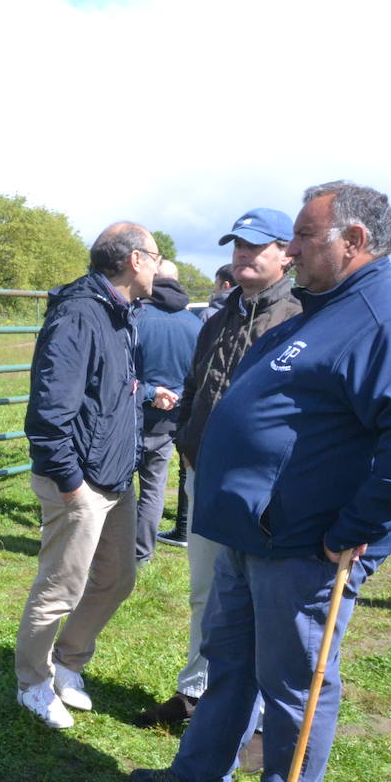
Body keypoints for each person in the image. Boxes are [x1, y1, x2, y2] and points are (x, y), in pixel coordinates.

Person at [130, 182, 391, 782]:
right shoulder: (325, 309)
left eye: (304, 236)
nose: (290, 249)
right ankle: (198, 777)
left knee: (295, 684)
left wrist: (355, 526)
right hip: (250, 533)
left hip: (302, 544)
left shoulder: (385, 321)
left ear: (354, 242)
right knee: (229, 662)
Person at [134, 208, 301, 731]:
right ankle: (196, 696)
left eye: (257, 246)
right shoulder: (224, 313)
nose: (244, 255)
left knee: (263, 602)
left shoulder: (300, 317)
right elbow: (196, 381)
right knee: (206, 591)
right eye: (238, 247)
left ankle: (252, 715)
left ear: (286, 252)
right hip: (206, 474)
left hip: (267, 487)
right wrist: (187, 438)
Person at [15, 222, 157, 729]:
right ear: (135, 260)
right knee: (60, 587)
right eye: (156, 258)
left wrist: (143, 397)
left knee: (117, 578)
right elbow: (49, 412)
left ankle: (68, 663)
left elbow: (106, 392)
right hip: (80, 479)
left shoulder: (120, 312)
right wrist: (71, 483)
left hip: (115, 475)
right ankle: (32, 681)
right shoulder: (80, 314)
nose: (160, 268)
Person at [156, 263, 234, 548]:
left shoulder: (211, 316)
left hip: (170, 408)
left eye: (216, 284)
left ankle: (181, 527)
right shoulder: (196, 320)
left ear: (225, 285)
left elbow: (198, 373)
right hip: (191, 410)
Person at [132, 259, 201, 565]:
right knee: (153, 487)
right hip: (172, 418)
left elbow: (121, 369)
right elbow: (202, 375)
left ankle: (108, 551)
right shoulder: (196, 324)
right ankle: (141, 554)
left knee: (116, 485)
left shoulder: (136, 318)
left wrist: (150, 393)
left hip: (132, 413)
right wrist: (178, 399)